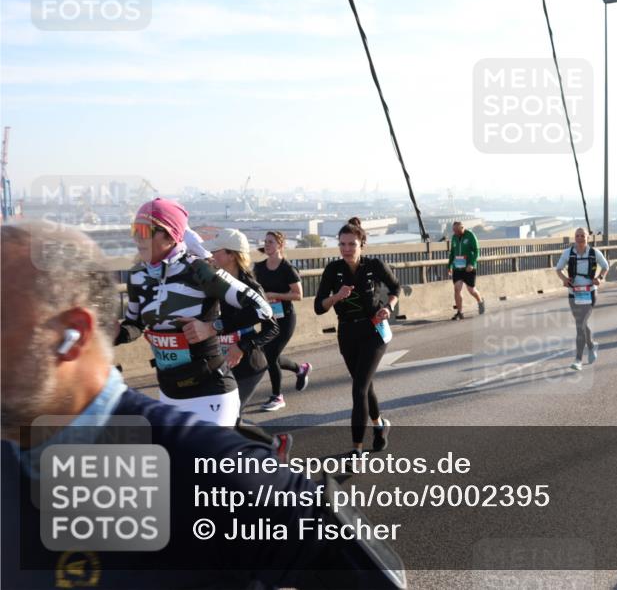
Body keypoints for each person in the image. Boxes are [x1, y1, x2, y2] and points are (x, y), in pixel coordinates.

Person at [1, 222, 406, 590]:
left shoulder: (212, 469)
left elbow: (373, 575)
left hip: (223, 378)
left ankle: (329, 441)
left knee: (355, 389)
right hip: (177, 385)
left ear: (72, 335)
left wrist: (221, 331)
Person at [114, 198, 274, 427]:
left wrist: (213, 327)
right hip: (169, 393)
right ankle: (265, 446)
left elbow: (262, 309)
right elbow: (135, 325)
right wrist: (114, 333)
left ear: (170, 235)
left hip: (211, 391)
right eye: (134, 230)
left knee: (213, 451)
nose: (137, 238)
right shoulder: (137, 276)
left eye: (144, 230)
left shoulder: (200, 269)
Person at [203, 228, 292, 460]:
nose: (212, 255)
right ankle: (272, 446)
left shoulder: (250, 287)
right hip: (220, 362)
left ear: (232, 255)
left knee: (229, 420)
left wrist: (242, 346)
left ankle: (269, 451)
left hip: (248, 364)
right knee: (222, 419)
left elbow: (272, 328)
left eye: (217, 251)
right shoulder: (215, 282)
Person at [315, 218, 400, 455]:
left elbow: (395, 288)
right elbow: (319, 307)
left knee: (358, 390)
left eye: (352, 244)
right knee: (365, 386)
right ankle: (380, 426)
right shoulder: (333, 270)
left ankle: (357, 450)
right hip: (347, 333)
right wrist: (336, 297)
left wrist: (389, 307)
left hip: (373, 331)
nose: (346, 249)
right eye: (342, 244)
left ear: (362, 244)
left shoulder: (374, 265)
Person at [254, 230, 312, 412]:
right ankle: (300, 369)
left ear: (280, 245)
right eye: (266, 241)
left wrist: (275, 295)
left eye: (271, 242)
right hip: (268, 318)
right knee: (269, 354)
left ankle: (277, 396)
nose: (267, 244)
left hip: (285, 319)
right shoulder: (259, 267)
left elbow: (298, 295)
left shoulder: (287, 268)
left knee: (271, 355)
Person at [555, 228, 609, 370]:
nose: (579, 238)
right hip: (574, 292)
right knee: (581, 323)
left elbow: (605, 266)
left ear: (587, 238)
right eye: (577, 236)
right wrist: (565, 279)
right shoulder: (568, 253)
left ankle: (578, 360)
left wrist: (600, 278)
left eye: (582, 236)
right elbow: (558, 269)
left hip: (590, 292)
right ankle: (591, 345)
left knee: (580, 325)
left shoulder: (594, 253)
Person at [448, 221, 485, 320]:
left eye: (457, 230)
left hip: (468, 267)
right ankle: (460, 312)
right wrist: (449, 265)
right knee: (457, 289)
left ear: (462, 228)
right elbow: (452, 252)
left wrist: (472, 264)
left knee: (471, 290)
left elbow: (476, 251)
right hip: (457, 267)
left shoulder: (470, 236)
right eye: (453, 230)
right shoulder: (454, 237)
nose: (455, 232)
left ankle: (480, 301)